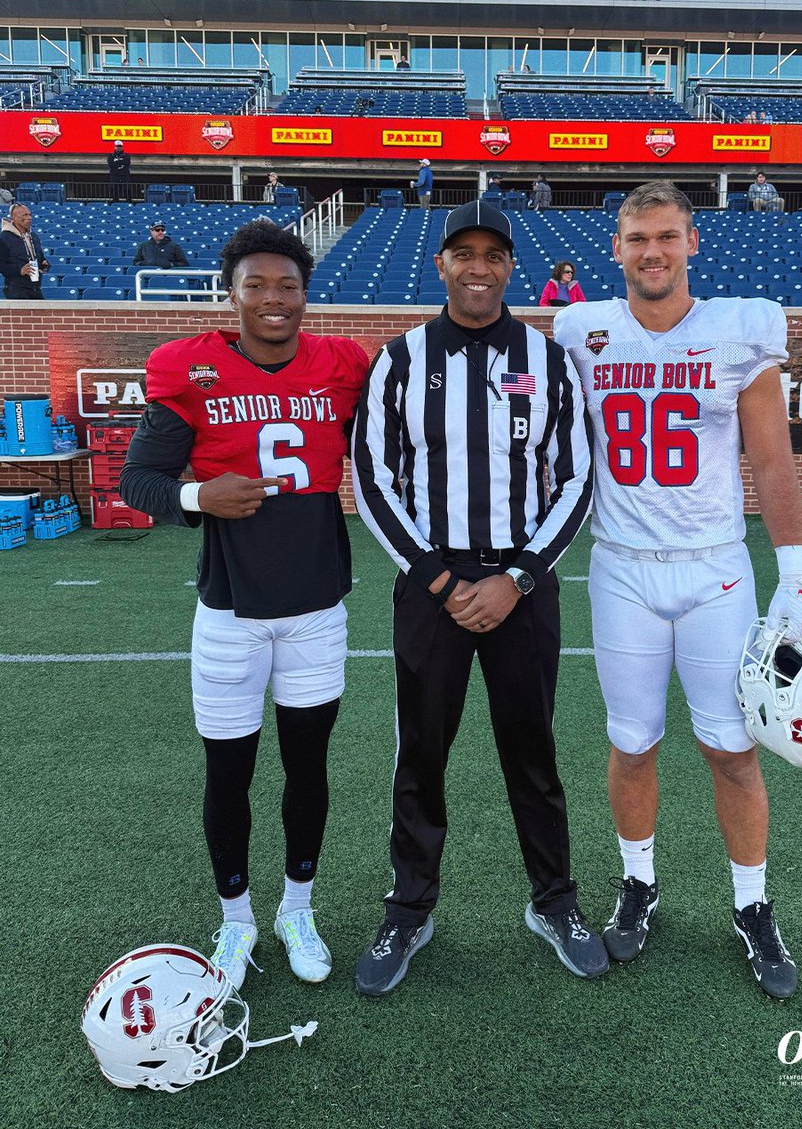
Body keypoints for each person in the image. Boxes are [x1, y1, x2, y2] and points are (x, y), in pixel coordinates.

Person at [553, 180, 802, 1000]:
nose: (652, 252)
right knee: (632, 741)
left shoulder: (737, 329)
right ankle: (640, 883)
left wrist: (794, 568)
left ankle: (751, 903)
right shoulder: (579, 331)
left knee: (730, 750)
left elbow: (771, 458)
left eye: (666, 236)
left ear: (692, 242)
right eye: (637, 239)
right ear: (618, 248)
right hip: (622, 565)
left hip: (716, 570)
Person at [350, 199, 606, 996]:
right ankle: (410, 905)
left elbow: (576, 477)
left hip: (522, 586)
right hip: (431, 586)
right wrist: (439, 579)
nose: (478, 267)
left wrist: (519, 577)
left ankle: (554, 902)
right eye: (463, 252)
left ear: (509, 267)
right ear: (441, 265)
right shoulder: (398, 359)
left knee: (533, 752)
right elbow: (371, 476)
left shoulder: (549, 359)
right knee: (421, 752)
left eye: (493, 254)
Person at [118, 219, 370, 990]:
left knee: (308, 768)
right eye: (256, 284)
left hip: (316, 607)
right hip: (229, 610)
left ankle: (299, 907)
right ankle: (235, 921)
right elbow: (139, 481)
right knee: (227, 774)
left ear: (306, 293)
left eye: (288, 285)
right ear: (230, 293)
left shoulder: (342, 363)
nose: (273, 299)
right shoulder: (185, 367)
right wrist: (199, 493)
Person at [0, 202, 49, 300]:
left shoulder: (34, 237)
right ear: (14, 217)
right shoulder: (4, 237)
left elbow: (40, 258)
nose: (29, 217)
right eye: (25, 215)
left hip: (35, 288)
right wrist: (20, 271)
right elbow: (1, 265)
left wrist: (44, 265)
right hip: (16, 289)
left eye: (30, 214)